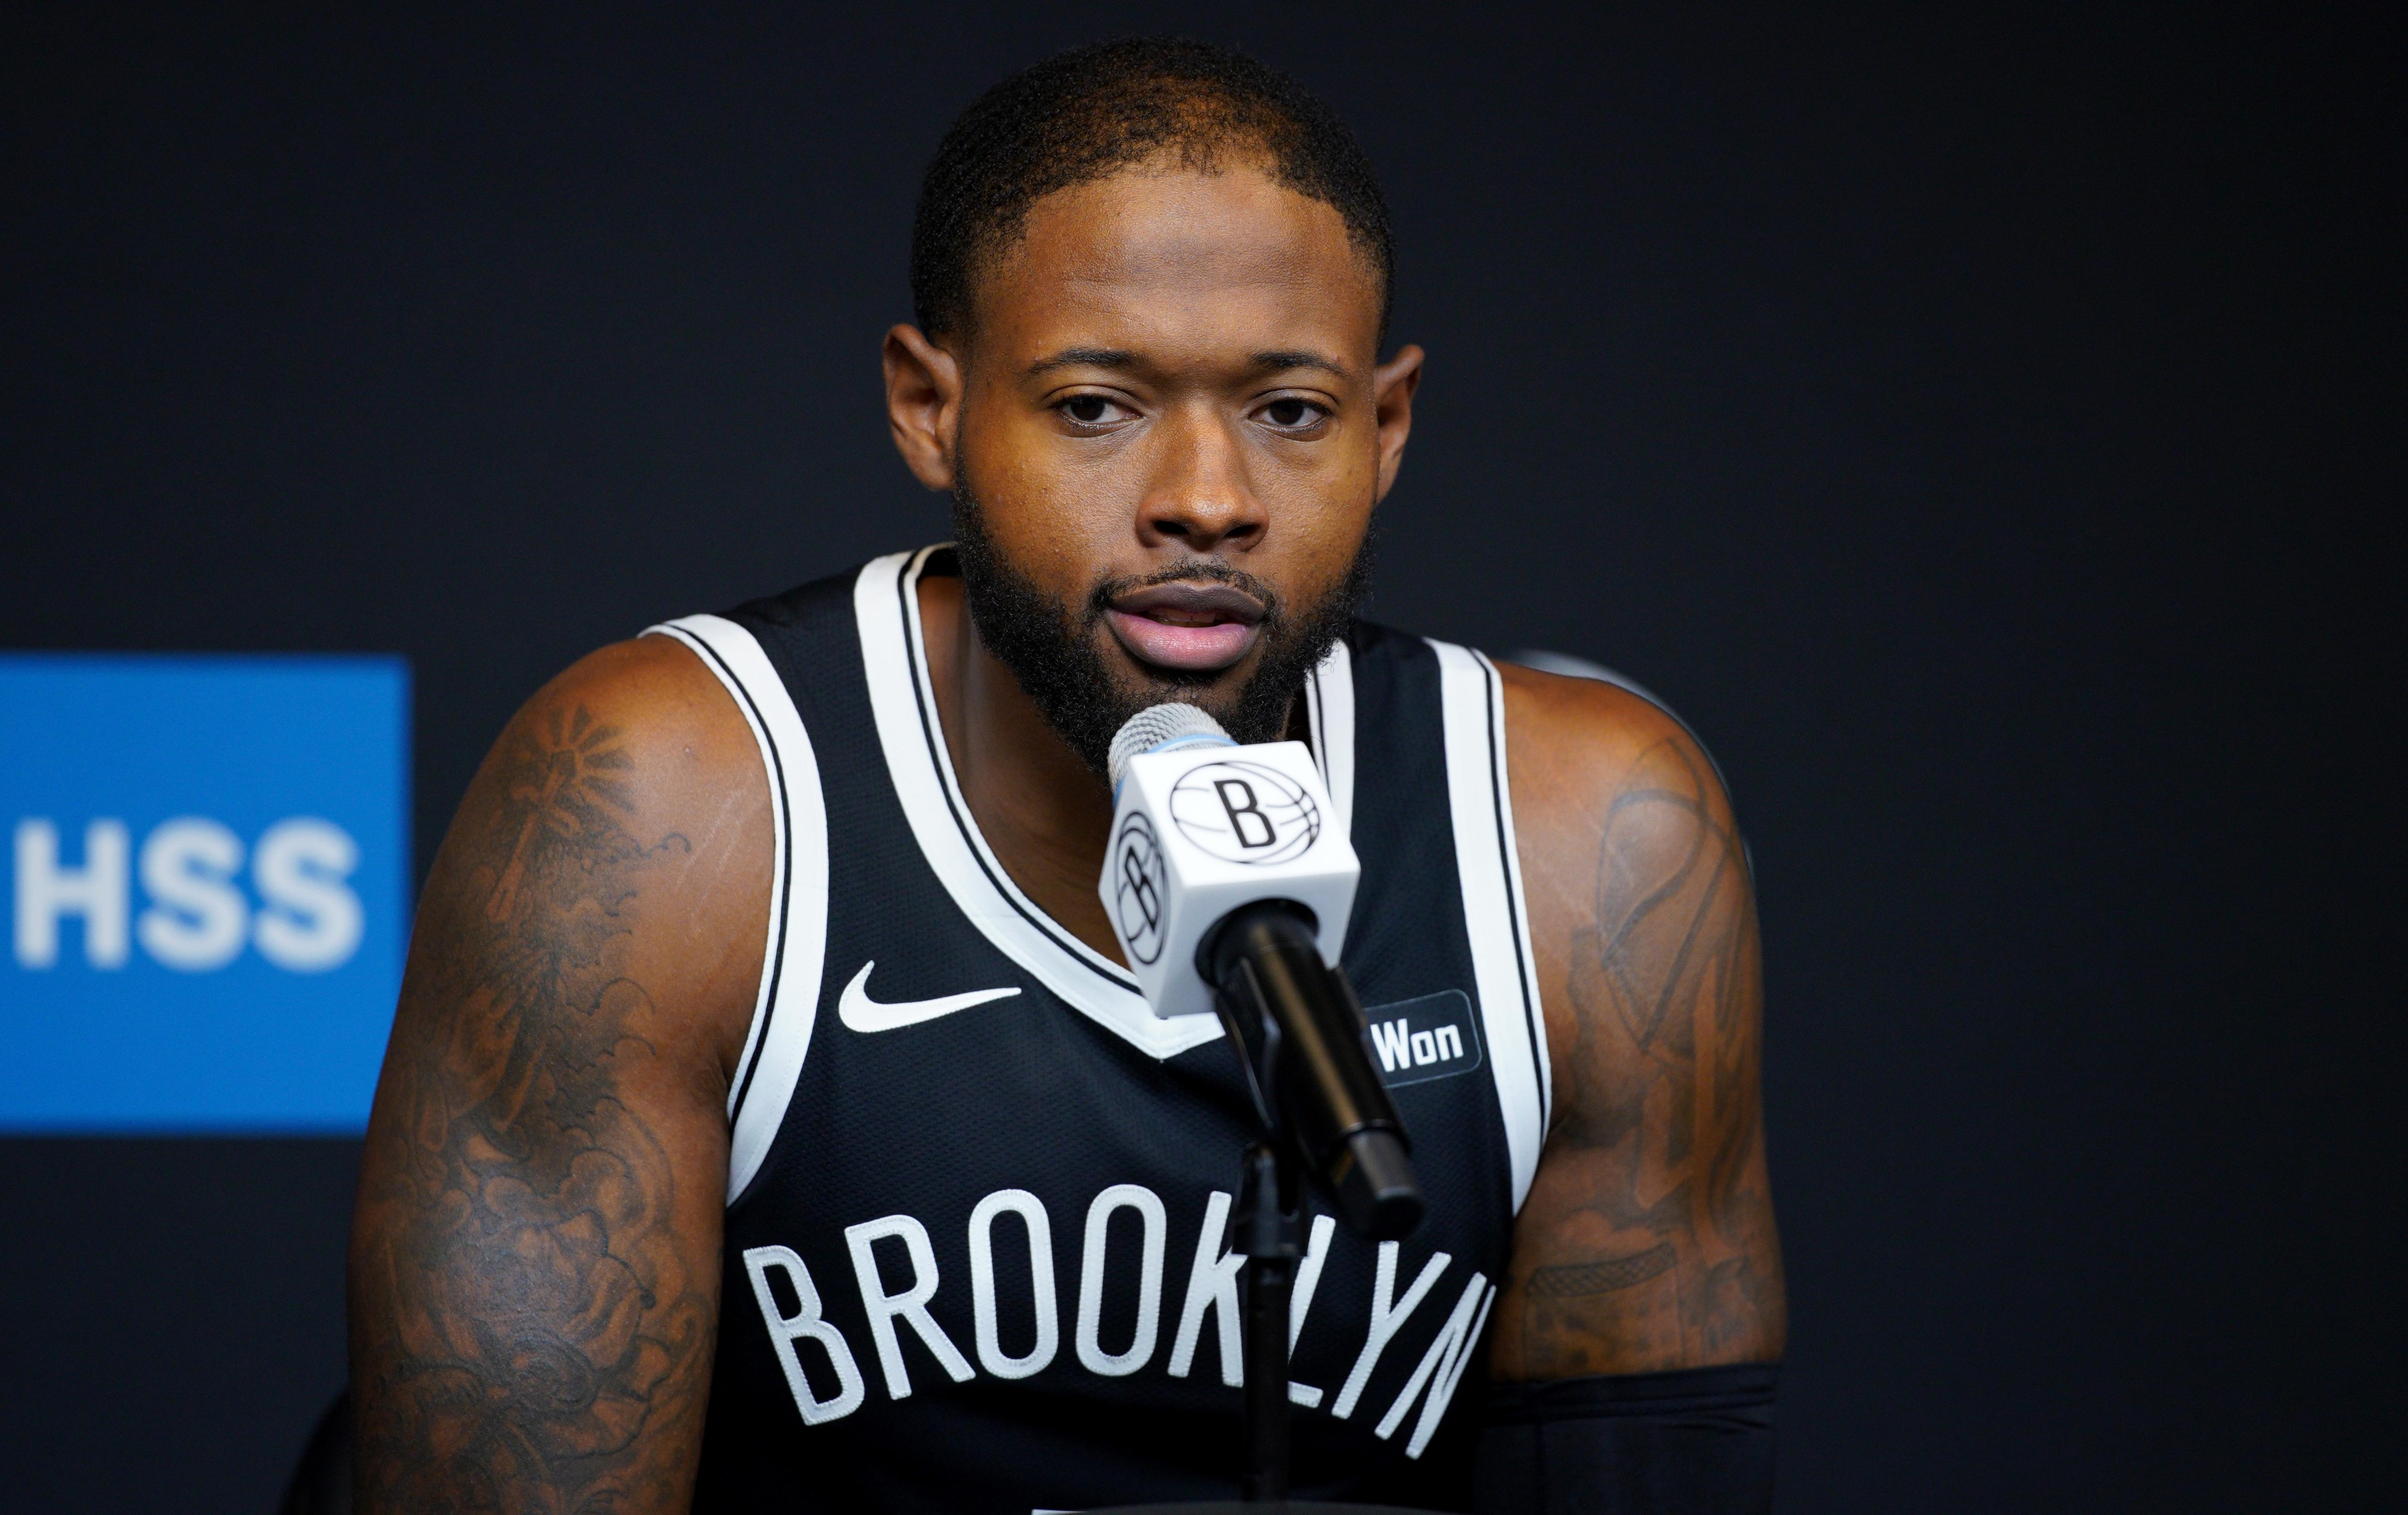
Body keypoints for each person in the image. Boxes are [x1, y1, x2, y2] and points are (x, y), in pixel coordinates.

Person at [348, 37, 1783, 1514]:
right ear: (930, 405)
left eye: (1289, 410)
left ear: (1388, 423)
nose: (1207, 502)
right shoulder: (673, 818)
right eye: (1098, 405)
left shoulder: (1587, 849)